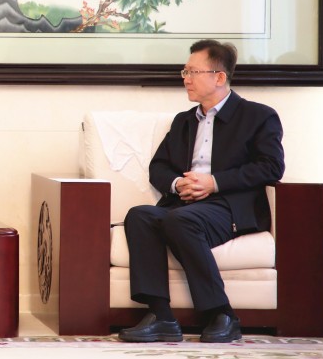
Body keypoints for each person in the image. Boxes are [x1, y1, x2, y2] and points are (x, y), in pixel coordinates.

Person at [118, 40, 284, 343]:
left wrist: (214, 182)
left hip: (229, 206)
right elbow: (159, 167)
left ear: (219, 77)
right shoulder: (184, 121)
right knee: (140, 216)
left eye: (193, 72)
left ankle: (222, 314)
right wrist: (177, 183)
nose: (186, 79)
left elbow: (271, 167)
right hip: (184, 204)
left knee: (180, 220)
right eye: (185, 72)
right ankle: (161, 317)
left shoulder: (258, 116)